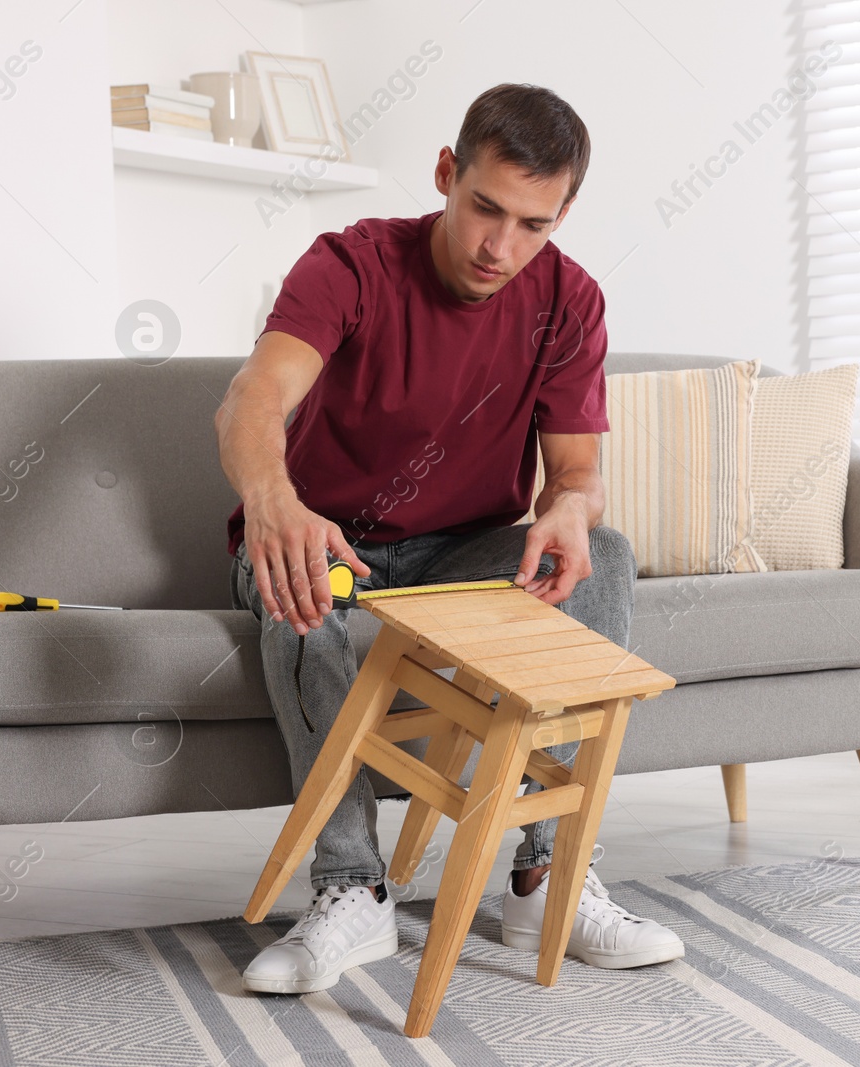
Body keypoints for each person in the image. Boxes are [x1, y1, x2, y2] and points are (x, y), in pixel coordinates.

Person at [215, 83, 683, 995]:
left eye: (533, 225)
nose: (499, 248)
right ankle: (353, 890)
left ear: (564, 215)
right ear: (445, 173)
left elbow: (578, 477)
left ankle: (545, 878)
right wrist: (273, 499)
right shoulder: (351, 264)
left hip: (459, 558)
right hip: (326, 543)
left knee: (608, 556)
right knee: (303, 591)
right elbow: (253, 398)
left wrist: (567, 507)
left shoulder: (570, 301)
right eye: (484, 208)